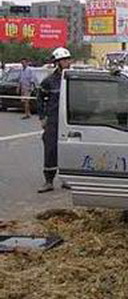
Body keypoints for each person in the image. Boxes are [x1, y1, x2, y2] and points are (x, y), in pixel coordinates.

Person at [37, 47, 72, 193]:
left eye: (68, 59)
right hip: (53, 120)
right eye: (64, 60)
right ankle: (49, 181)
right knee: (50, 149)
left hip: (70, 120)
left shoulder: (72, 78)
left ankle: (67, 180)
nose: (67, 62)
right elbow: (40, 99)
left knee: (68, 149)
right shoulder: (49, 81)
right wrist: (43, 117)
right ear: (57, 62)